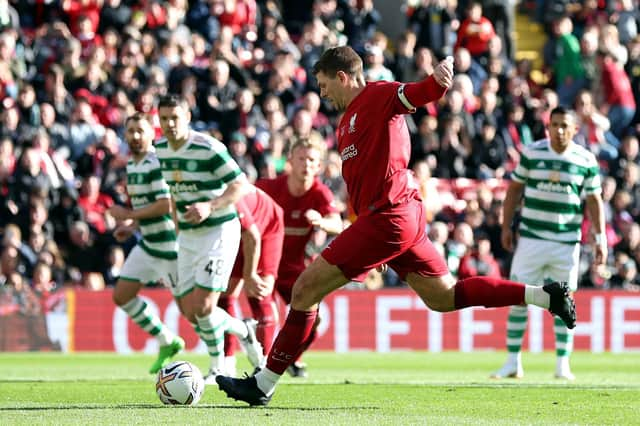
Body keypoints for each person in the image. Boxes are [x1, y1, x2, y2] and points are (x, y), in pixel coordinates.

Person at [216, 46, 576, 406]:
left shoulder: (379, 95)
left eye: (325, 85)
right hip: (392, 221)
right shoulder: (345, 125)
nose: (323, 94)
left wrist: (438, 82)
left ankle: (263, 384)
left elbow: (420, 94)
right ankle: (545, 295)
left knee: (305, 290)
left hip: (389, 217)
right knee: (444, 296)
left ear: (342, 77)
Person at [155, 94, 264, 383]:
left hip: (219, 231)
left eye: (174, 117)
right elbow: (174, 194)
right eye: (164, 118)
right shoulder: (161, 149)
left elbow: (240, 185)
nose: (169, 124)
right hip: (189, 237)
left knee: (204, 307)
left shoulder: (208, 147)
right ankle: (244, 331)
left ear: (187, 117)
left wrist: (210, 205)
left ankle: (218, 367)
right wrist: (177, 233)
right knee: (191, 313)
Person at [491, 106, 606, 381]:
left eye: (565, 125)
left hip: (565, 242)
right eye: (554, 125)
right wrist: (506, 226)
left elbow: (594, 200)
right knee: (517, 297)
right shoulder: (532, 153)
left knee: (563, 301)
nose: (559, 130)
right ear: (548, 127)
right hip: (531, 238)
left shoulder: (585, 159)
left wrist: (600, 238)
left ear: (575, 129)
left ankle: (562, 364)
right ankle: (512, 362)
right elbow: (514, 190)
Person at [255, 137, 343, 378]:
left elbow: (339, 224)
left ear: (319, 166)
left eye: (311, 160)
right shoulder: (268, 188)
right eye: (301, 158)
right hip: (264, 265)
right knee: (266, 316)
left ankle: (292, 359)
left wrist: (322, 222)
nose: (305, 164)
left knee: (315, 320)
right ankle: (262, 364)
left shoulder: (320, 194)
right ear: (290, 161)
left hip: (294, 268)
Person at [107, 112, 184, 374]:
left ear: (152, 133)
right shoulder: (132, 164)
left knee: (195, 312)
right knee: (122, 295)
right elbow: (147, 206)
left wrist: (128, 215)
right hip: (148, 246)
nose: (135, 136)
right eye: (130, 131)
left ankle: (242, 338)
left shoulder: (155, 162)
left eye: (141, 131)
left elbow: (166, 204)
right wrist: (131, 227)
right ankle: (167, 340)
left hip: (170, 249)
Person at [218, 185, 285, 376]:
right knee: (225, 293)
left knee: (260, 290)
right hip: (238, 233)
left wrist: (249, 275)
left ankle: (264, 365)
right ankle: (227, 362)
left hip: (267, 225)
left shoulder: (228, 194)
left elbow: (252, 236)